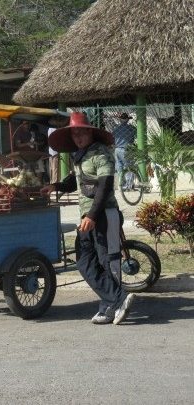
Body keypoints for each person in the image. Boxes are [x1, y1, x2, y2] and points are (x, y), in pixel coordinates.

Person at [41, 112, 135, 325]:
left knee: (108, 262)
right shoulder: (80, 155)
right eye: (75, 133)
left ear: (90, 132)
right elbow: (75, 181)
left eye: (82, 132)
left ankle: (110, 306)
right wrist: (55, 187)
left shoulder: (102, 154)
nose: (78, 137)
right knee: (84, 261)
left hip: (103, 215)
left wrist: (93, 215)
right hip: (87, 218)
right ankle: (117, 299)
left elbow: (105, 186)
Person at [112, 112, 137, 189]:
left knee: (120, 167)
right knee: (129, 167)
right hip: (126, 149)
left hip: (117, 149)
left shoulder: (116, 129)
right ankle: (128, 185)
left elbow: (112, 139)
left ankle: (121, 184)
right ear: (127, 120)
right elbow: (135, 137)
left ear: (120, 120)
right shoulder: (132, 128)